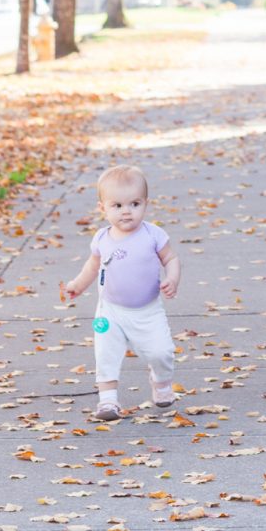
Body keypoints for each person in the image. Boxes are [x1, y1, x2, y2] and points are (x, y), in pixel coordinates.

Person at [62, 163, 181, 421]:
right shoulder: (101, 239)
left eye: (134, 204)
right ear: (102, 208)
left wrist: (172, 278)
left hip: (147, 311)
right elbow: (92, 266)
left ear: (145, 204)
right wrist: (78, 285)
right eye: (117, 206)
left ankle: (161, 384)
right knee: (105, 352)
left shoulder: (153, 235)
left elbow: (171, 259)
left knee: (161, 352)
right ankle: (107, 401)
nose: (126, 212)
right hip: (110, 311)